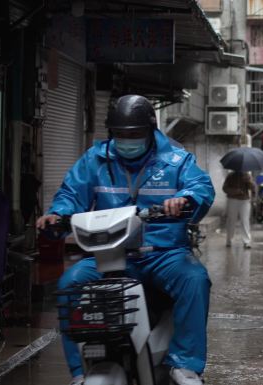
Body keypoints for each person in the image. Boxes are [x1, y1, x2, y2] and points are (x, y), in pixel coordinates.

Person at [36, 95, 215, 385]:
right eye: (120, 135)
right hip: (109, 254)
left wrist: (185, 199)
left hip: (163, 253)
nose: (126, 140)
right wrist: (57, 214)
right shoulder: (95, 159)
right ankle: (80, 371)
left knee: (195, 279)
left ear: (149, 131)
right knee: (69, 284)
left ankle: (185, 364)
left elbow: (201, 187)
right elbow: (71, 194)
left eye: (134, 134)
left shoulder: (177, 160)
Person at [223, 171, 256, 248]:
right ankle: (229, 240)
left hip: (244, 200)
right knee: (231, 220)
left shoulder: (247, 175)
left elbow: (253, 188)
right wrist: (234, 191)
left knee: (245, 220)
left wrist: (249, 181)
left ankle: (246, 241)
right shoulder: (230, 176)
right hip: (232, 200)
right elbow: (224, 188)